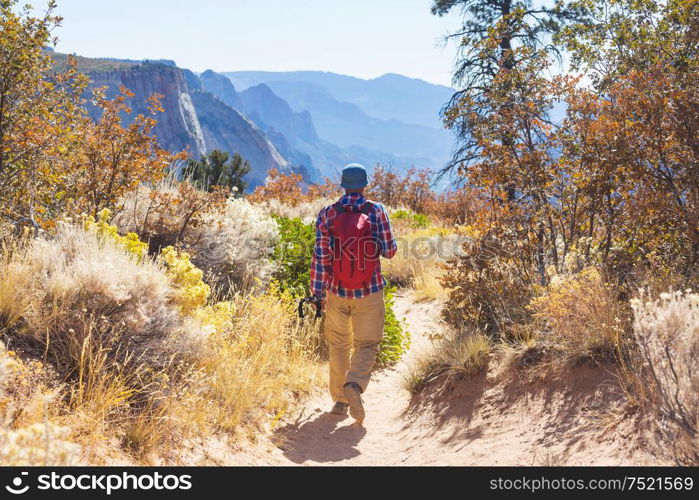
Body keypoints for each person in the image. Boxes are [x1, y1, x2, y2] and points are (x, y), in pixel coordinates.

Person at [310, 163, 397, 424]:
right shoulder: (376, 211)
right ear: (365, 184)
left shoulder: (327, 213)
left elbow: (320, 257)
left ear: (343, 185)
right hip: (369, 291)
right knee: (367, 344)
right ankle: (355, 385)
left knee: (338, 345)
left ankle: (339, 401)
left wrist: (317, 293)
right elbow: (390, 251)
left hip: (337, 291)